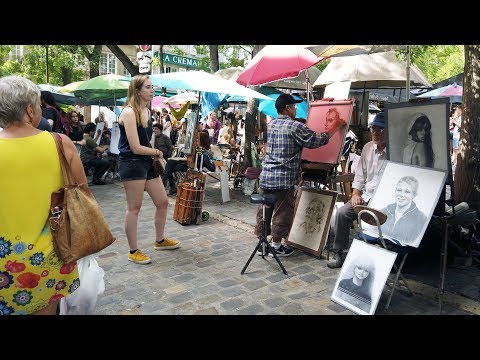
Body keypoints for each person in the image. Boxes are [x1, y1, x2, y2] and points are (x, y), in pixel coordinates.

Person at [0, 75, 82, 315]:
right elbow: (81, 193)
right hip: (50, 254)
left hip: (4, 258)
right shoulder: (60, 143)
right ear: (28, 110)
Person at [254, 94, 346, 257]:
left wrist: (317, 105)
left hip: (267, 175)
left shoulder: (272, 124)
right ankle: (276, 246)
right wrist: (336, 126)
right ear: (288, 108)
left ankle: (262, 244)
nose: (296, 109)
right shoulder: (294, 127)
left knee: (265, 211)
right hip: (283, 178)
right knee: (283, 211)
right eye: (294, 106)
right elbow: (319, 140)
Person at [118, 75, 180, 265]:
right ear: (137, 91)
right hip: (131, 162)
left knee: (162, 202)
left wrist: (154, 154)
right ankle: (133, 250)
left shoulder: (147, 111)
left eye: (152, 87)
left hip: (145, 162)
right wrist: (157, 152)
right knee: (134, 208)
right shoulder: (129, 113)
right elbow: (135, 147)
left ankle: (160, 240)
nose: (152, 90)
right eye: (148, 87)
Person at [327, 112, 387, 268]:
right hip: (367, 197)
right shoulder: (368, 148)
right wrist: (355, 193)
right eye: (373, 128)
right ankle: (340, 252)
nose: (374, 132)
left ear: (388, 131)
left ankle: (381, 258)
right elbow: (360, 176)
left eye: (379, 130)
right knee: (342, 213)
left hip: (385, 200)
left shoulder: (395, 153)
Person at [162, 131, 216, 195]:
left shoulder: (204, 153)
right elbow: (189, 159)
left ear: (201, 140)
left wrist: (213, 161)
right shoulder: (197, 149)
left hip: (193, 168)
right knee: (170, 164)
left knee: (170, 165)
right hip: (189, 165)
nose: (195, 141)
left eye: (197, 139)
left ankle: (166, 183)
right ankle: (168, 184)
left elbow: (212, 168)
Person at [380, 176, 427, 246]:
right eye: (399, 190)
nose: (401, 195)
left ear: (414, 195)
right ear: (395, 191)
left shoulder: (421, 218)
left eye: (407, 192)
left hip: (402, 251)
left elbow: (413, 243)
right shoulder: (383, 211)